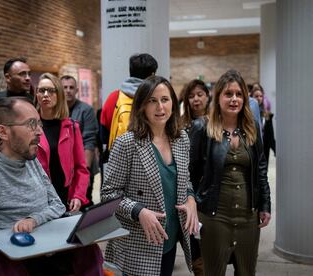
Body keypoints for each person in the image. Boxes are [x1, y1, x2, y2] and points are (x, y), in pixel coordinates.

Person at [0, 97, 103, 276]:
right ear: (3, 132)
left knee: (89, 247)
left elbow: (57, 205)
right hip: (14, 252)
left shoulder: (33, 163)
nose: (40, 132)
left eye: (40, 124)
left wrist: (33, 219)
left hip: (48, 244)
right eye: (32, 124)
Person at [101, 76, 199, 276]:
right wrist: (139, 211)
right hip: (137, 244)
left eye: (165, 99)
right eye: (152, 101)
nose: (160, 107)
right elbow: (108, 194)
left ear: (173, 102)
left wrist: (190, 200)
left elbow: (185, 180)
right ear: (141, 106)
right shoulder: (126, 143)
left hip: (168, 239)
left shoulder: (181, 139)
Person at [189, 69, 271, 275]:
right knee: (213, 270)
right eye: (228, 94)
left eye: (239, 94)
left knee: (246, 270)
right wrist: (192, 205)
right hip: (214, 216)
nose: (234, 99)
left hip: (248, 216)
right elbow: (189, 174)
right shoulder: (202, 128)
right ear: (218, 98)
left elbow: (261, 169)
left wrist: (265, 204)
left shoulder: (251, 129)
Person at [36, 73, 89, 211]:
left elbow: (80, 168)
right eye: (42, 90)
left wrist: (78, 195)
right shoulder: (30, 127)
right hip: (39, 199)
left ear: (59, 95)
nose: (46, 94)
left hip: (66, 197)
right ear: (37, 95)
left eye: (51, 90)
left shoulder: (71, 126)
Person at [100, 53, 158, 160]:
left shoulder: (114, 98)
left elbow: (104, 135)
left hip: (119, 161)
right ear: (152, 74)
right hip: (150, 161)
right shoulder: (157, 99)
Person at [179, 78, 211, 276]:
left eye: (199, 95)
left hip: (206, 188)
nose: (196, 100)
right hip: (188, 187)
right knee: (193, 238)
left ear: (208, 97)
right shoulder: (183, 124)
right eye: (191, 96)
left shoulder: (215, 122)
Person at [60, 75, 98, 204]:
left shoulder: (86, 110)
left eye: (71, 87)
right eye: (64, 87)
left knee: (84, 202)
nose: (68, 90)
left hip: (83, 165)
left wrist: (84, 174)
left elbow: (89, 141)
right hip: (63, 169)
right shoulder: (57, 111)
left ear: (76, 90)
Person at [251, 84, 276, 165]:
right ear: (252, 97)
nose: (259, 98)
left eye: (261, 96)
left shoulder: (267, 115)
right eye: (256, 96)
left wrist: (276, 150)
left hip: (264, 150)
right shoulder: (248, 114)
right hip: (251, 149)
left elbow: (270, 136)